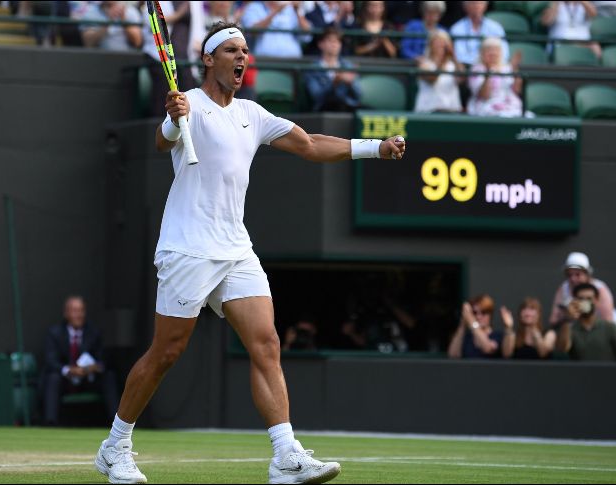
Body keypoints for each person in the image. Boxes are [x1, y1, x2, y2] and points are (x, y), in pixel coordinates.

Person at [93, 20, 406, 485]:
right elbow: (164, 141)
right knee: (166, 352)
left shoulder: (253, 114)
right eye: (232, 50)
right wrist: (171, 116)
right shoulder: (189, 105)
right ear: (209, 59)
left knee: (267, 344)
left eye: (246, 51)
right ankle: (115, 445)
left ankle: (285, 455)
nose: (242, 58)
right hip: (187, 249)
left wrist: (374, 149)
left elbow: (312, 144)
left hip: (236, 249)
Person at [42, 296, 119, 426]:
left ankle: (117, 424)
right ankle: (51, 423)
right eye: (74, 311)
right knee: (52, 378)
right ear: (66, 313)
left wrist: (92, 368)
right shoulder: (55, 333)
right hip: (66, 380)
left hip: (88, 379)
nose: (78, 315)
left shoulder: (94, 332)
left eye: (81, 311)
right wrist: (70, 370)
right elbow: (51, 361)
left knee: (109, 376)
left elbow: (104, 359)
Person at [548, 252, 616, 336]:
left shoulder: (600, 289)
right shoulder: (563, 288)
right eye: (569, 275)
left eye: (577, 274)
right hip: (580, 333)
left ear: (587, 274)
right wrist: (567, 316)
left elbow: (608, 321)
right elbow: (553, 320)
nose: (573, 279)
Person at [555, 283, 616, 362]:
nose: (585, 302)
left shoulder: (609, 327)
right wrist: (568, 319)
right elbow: (562, 349)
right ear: (575, 301)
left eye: (589, 298)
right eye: (581, 298)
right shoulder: (570, 328)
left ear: (596, 300)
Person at [304, 27, 362, 112]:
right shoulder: (312, 69)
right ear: (321, 44)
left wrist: (350, 83)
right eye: (330, 40)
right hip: (325, 109)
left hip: (348, 107)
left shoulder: (348, 66)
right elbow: (316, 96)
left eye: (338, 41)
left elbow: (359, 95)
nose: (334, 44)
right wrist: (334, 83)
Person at [467, 37, 523, 118]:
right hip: (486, 106)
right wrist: (488, 73)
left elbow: (517, 90)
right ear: (482, 53)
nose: (493, 53)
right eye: (489, 50)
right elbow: (484, 96)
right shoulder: (477, 69)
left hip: (511, 105)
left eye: (496, 50)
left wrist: (515, 71)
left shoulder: (507, 68)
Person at [413, 29, 463, 113]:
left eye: (443, 42)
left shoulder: (453, 65)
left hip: (451, 110)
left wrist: (453, 57)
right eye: (437, 42)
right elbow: (432, 79)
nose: (441, 45)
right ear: (430, 45)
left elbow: (461, 79)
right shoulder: (423, 63)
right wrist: (441, 63)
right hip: (428, 110)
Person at [241, 1, 312, 58]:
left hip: (293, 61)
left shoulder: (291, 9)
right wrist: (276, 11)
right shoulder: (254, 7)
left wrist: (297, 10)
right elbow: (252, 32)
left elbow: (307, 35)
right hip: (264, 62)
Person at [450, 1, 509, 67]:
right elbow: (459, 56)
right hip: (466, 69)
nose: (476, 6)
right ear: (465, 7)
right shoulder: (456, 28)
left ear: (485, 6)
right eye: (473, 3)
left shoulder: (496, 28)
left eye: (480, 3)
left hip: (493, 67)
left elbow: (504, 54)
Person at [447, 294, 505, 359]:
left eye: (483, 312)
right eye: (474, 313)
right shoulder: (467, 337)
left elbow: (488, 348)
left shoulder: (498, 336)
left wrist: (472, 321)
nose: (478, 316)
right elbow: (452, 355)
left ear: (490, 314)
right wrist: (462, 324)